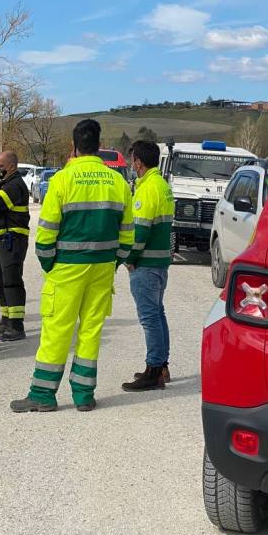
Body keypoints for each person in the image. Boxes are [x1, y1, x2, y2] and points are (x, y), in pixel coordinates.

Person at [10, 120, 133, 413]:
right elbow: (128, 235)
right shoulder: (118, 182)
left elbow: (46, 233)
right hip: (103, 267)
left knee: (57, 329)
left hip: (66, 267)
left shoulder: (63, 180)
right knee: (91, 330)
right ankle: (83, 395)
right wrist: (115, 262)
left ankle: (42, 394)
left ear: (74, 146)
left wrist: (49, 264)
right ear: (99, 145)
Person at [121, 140, 174, 392]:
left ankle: (153, 371)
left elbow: (140, 231)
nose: (132, 165)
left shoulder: (147, 189)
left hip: (146, 264)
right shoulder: (162, 185)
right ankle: (161, 366)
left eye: (133, 160)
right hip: (160, 263)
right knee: (158, 313)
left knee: (149, 317)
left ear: (138, 162)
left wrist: (129, 258)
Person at [0, 151, 31, 341]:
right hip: (3, 240)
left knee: (11, 281)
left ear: (12, 166)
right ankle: (6, 320)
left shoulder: (14, 185)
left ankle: (16, 325)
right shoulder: (4, 183)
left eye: (0, 165)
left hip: (13, 239)